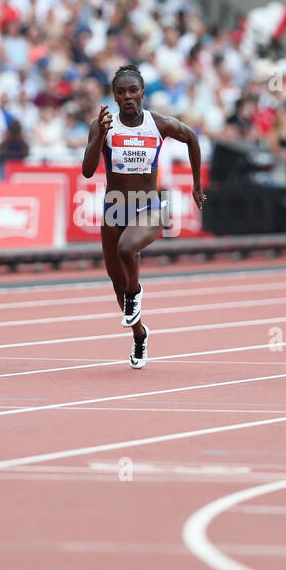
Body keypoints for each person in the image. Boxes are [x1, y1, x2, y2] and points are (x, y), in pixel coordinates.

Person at [81, 64, 206, 370]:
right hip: (114, 205)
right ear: (114, 95)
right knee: (116, 280)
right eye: (121, 92)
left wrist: (197, 184)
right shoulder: (103, 125)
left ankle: (136, 293)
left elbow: (191, 137)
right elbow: (86, 171)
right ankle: (140, 334)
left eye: (133, 91)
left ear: (143, 93)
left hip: (148, 204)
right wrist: (101, 134)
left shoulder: (158, 123)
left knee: (127, 249)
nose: (127, 97)